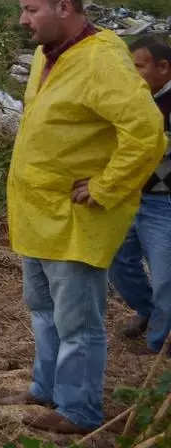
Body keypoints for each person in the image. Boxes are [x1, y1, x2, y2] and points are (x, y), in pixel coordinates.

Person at [4, 0, 166, 435]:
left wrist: (105, 186)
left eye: (31, 10)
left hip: (74, 218)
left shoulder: (101, 61)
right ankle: (47, 388)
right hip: (36, 215)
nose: (23, 20)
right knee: (42, 310)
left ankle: (79, 411)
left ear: (64, 8)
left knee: (78, 323)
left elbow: (146, 132)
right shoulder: (44, 56)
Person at [108, 35, 171, 354]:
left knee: (164, 275)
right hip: (130, 195)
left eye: (140, 66)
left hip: (163, 200)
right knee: (119, 262)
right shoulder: (134, 98)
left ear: (164, 67)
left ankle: (160, 341)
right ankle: (148, 312)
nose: (134, 73)